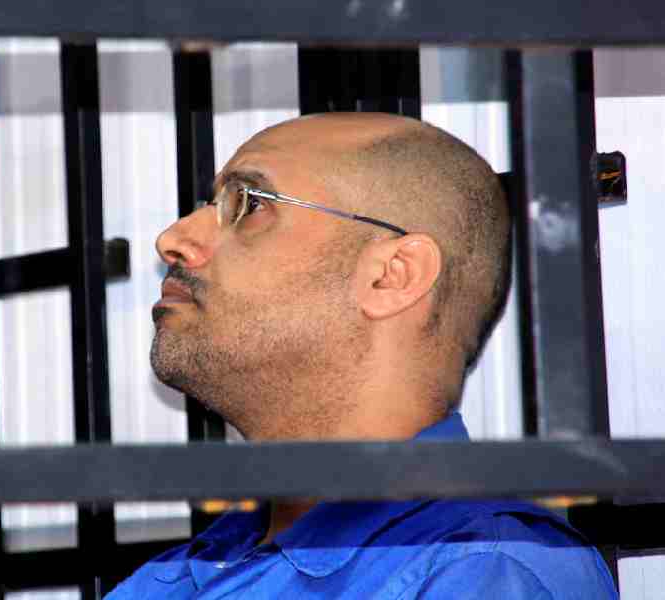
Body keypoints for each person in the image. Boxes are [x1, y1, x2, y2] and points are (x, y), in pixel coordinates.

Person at [106, 113, 618, 599]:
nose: (172, 239)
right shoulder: (174, 578)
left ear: (391, 274)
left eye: (248, 204)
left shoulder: (485, 567)